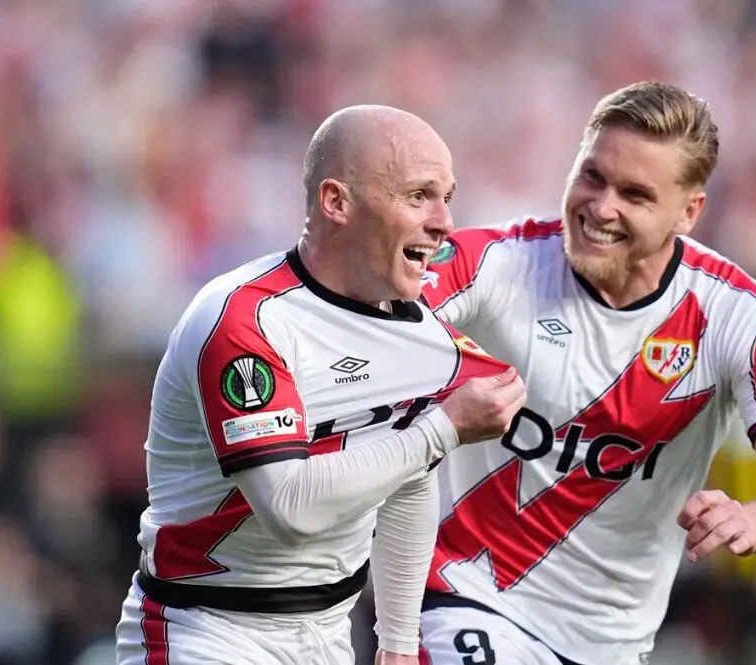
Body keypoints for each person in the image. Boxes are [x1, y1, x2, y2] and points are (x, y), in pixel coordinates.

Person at [415, 81, 756, 665]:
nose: (601, 207)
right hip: (467, 599)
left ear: (689, 211)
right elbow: (366, 316)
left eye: (635, 194)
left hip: (612, 646)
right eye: (592, 176)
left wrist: (752, 519)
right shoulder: (500, 263)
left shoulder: (738, 317)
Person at [114, 105, 527, 665]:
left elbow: (407, 477)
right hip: (206, 627)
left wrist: (399, 640)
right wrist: (443, 429)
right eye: (417, 196)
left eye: (447, 197)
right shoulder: (246, 321)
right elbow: (288, 509)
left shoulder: (420, 329)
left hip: (329, 633)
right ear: (336, 203)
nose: (443, 222)